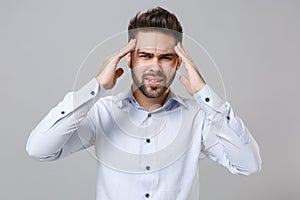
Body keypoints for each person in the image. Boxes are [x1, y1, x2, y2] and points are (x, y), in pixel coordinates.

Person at [26, 7, 262, 200]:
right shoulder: (103, 113)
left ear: (178, 62)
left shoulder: (198, 117)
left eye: (165, 57)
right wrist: (96, 85)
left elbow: (248, 164)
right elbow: (39, 149)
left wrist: (204, 93)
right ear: (129, 58)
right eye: (145, 55)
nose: (155, 67)